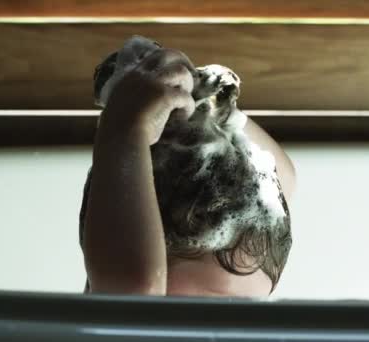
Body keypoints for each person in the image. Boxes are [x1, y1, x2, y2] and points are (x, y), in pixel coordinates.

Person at [80, 48, 296, 297]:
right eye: (203, 307)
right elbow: (136, 289)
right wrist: (124, 132)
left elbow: (284, 178)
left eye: (247, 310)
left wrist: (209, 107)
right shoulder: (126, 307)